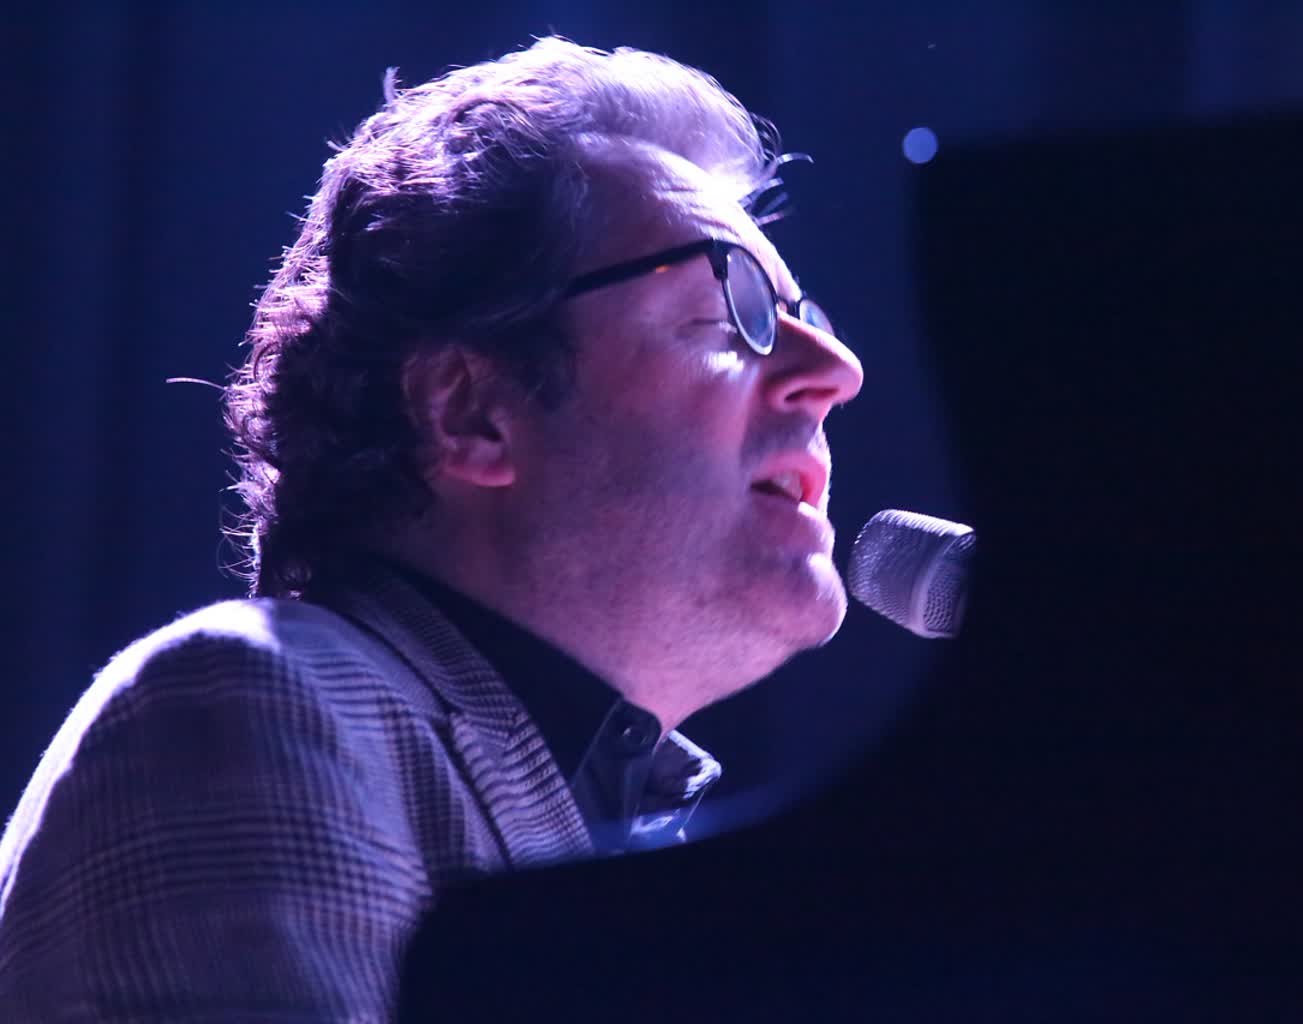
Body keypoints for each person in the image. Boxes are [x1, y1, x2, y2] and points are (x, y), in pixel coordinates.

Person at [0, 37, 862, 1020]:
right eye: (735, 309)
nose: (836, 370)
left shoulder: (624, 850)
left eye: (806, 313)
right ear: (469, 410)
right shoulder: (256, 703)